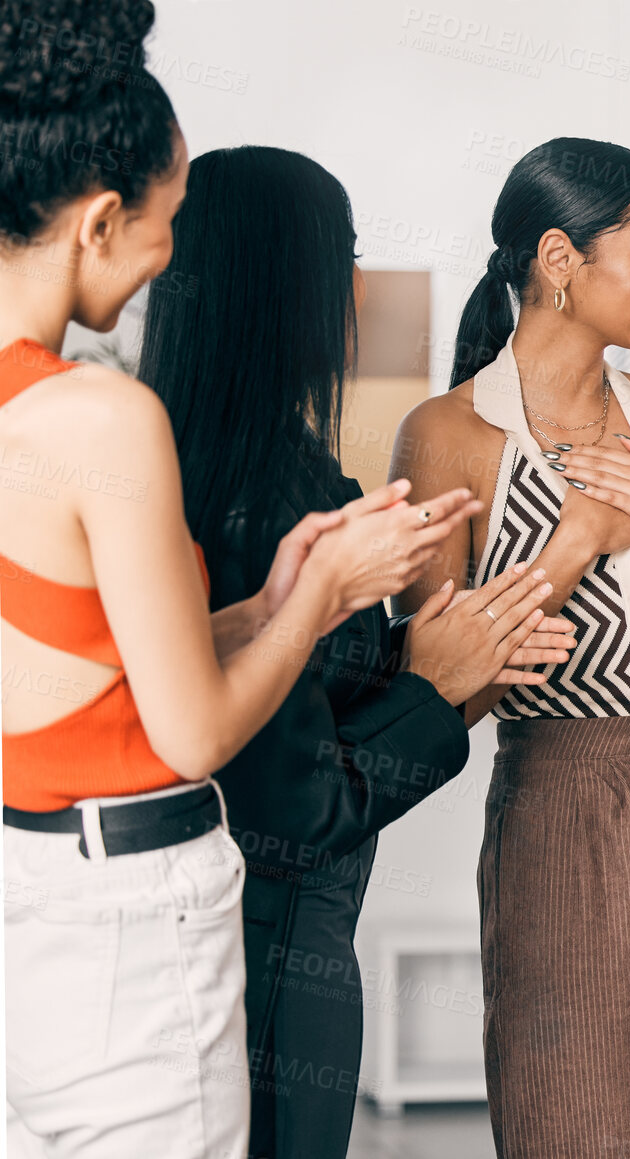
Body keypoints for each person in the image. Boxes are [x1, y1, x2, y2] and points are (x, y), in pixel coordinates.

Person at [0, 3, 474, 1154]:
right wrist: (322, 595)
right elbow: (195, 732)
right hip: (134, 910)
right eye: (164, 226)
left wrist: (265, 603)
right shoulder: (100, 416)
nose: (169, 262)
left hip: (32, 889)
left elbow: (80, 659)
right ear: (102, 220)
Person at [137, 145, 577, 1159]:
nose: (355, 289)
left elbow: (309, 709)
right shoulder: (275, 505)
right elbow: (295, 809)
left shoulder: (209, 469)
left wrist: (433, 658)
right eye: (344, 256)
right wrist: (430, 681)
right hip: (272, 954)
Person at [390, 137, 630, 1157]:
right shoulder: (450, 434)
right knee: (578, 1115)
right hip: (565, 802)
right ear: (561, 259)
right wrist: (575, 543)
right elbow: (434, 695)